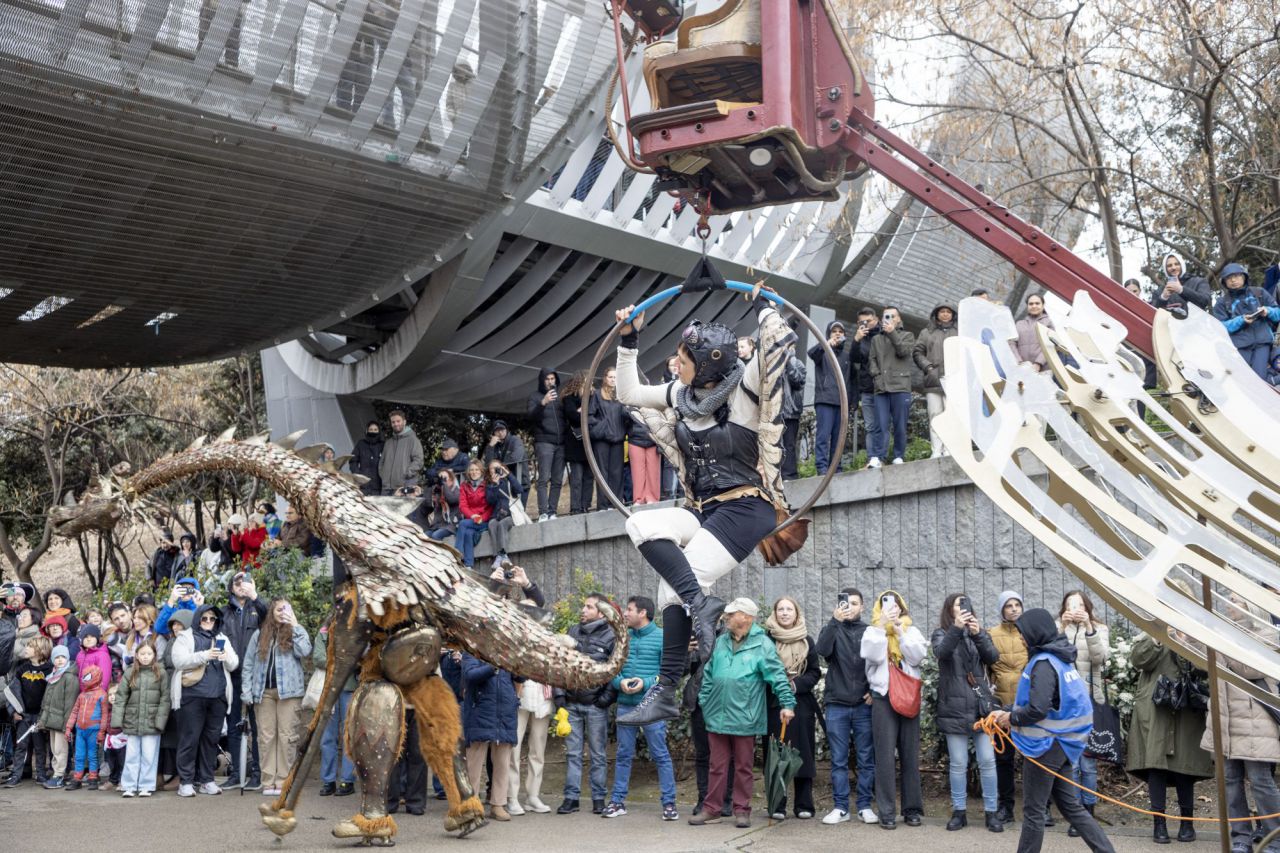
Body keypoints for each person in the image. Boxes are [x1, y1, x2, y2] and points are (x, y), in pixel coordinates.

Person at [611, 290, 793, 726]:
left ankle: (665, 689)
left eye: (684, 358)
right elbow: (628, 391)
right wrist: (628, 340)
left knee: (671, 588)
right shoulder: (681, 394)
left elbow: (778, 343)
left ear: (709, 363)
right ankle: (701, 605)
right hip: (702, 508)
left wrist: (763, 306)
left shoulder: (747, 389)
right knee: (639, 525)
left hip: (746, 508)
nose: (677, 364)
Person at [990, 608, 1115, 853]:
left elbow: (1037, 709)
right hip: (1064, 743)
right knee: (1071, 807)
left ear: (1035, 633)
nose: (1021, 637)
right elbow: (1046, 702)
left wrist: (1010, 718)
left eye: (1023, 632)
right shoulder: (1060, 659)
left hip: (1045, 746)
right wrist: (1006, 711)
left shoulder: (1043, 664)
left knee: (1033, 810)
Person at [689, 598, 795, 829]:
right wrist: (705, 701)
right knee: (716, 765)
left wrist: (787, 703)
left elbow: (778, 675)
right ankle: (712, 809)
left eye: (732, 614)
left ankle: (741, 810)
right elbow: (708, 674)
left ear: (746, 617)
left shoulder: (762, 644)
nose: (726, 617)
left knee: (744, 767)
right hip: (717, 715)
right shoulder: (721, 640)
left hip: (745, 717)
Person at [1201, 595, 1280, 853]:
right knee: (1229, 782)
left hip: (1255, 719)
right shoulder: (1222, 632)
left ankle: (1275, 837)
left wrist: (1218, 641)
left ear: (1251, 605)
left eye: (1235, 600)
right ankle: (1240, 838)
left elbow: (1249, 669)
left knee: (1261, 781)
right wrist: (1189, 637)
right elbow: (1203, 662)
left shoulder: (1267, 634)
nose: (1227, 603)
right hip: (1224, 717)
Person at [1127, 632, 1213, 843]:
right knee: (1156, 766)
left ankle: (1187, 823)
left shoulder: (1195, 634)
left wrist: (1187, 643)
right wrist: (1157, 637)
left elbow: (1205, 669)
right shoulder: (1153, 631)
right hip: (1156, 710)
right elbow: (1138, 660)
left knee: (1185, 766)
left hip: (1186, 709)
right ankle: (1159, 824)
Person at [932, 593, 1002, 832]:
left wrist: (978, 634)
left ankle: (991, 812)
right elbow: (941, 653)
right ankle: (959, 812)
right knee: (959, 763)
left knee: (987, 761)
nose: (962, 608)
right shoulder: (941, 633)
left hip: (980, 707)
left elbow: (993, 657)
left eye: (965, 604)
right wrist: (956, 628)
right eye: (957, 605)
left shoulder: (978, 633)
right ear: (949, 610)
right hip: (953, 707)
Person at [604, 595, 678, 821]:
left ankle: (669, 804)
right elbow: (612, 670)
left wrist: (645, 683)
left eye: (629, 609)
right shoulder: (622, 638)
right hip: (625, 706)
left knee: (660, 755)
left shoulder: (663, 637)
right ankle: (617, 802)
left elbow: (668, 674)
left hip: (652, 707)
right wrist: (620, 683)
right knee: (623, 754)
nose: (625, 613)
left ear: (643, 613)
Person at [861, 590, 927, 830]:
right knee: (885, 756)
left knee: (910, 754)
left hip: (908, 697)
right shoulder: (872, 631)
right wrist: (881, 627)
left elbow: (917, 657)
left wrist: (900, 632)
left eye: (897, 604)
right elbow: (872, 656)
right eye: (887, 603)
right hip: (883, 697)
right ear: (879, 608)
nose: (893, 608)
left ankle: (912, 810)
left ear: (902, 607)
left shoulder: (912, 630)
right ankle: (887, 811)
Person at [817, 587, 877, 825]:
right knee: (838, 759)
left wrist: (873, 691)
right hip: (837, 704)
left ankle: (864, 806)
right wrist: (834, 622)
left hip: (864, 705)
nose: (849, 607)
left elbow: (880, 663)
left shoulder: (869, 631)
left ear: (862, 607)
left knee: (866, 759)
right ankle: (840, 807)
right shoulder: (832, 628)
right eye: (845, 603)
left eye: (854, 603)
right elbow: (822, 651)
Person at [241, 598, 311, 797]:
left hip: (289, 693)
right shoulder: (259, 634)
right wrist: (247, 691)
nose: (282, 612)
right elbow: (248, 664)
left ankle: (283, 781)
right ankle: (268, 782)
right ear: (272, 612)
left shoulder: (296, 631)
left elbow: (305, 651)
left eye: (286, 609)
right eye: (279, 609)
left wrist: (295, 626)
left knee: (287, 737)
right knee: (266, 738)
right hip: (263, 693)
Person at [170, 603, 240, 798]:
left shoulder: (222, 638)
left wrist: (225, 656)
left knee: (211, 740)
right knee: (189, 739)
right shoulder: (186, 637)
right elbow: (178, 661)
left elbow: (234, 664)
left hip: (218, 696)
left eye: (212, 619)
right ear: (197, 619)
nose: (208, 621)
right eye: (204, 618)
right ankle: (186, 782)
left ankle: (207, 780)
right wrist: (205, 655)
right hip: (192, 695)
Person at [556, 594, 616, 816]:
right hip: (571, 704)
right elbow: (559, 664)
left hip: (596, 707)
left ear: (601, 613)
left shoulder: (611, 636)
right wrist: (560, 697)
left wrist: (605, 699)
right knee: (573, 754)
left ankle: (598, 799)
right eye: (583, 606)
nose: (583, 610)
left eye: (589, 607)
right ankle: (571, 798)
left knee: (598, 754)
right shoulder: (572, 631)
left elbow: (616, 670)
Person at [1056, 590, 1110, 832]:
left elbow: (1100, 658)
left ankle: (1089, 812)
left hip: (1090, 700)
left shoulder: (1099, 628)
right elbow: (1050, 654)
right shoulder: (1058, 628)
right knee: (1072, 762)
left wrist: (1089, 627)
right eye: (1070, 604)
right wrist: (1062, 627)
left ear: (1087, 607)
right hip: (1066, 703)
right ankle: (1075, 814)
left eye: (1079, 605)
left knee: (1088, 763)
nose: (1075, 609)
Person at [764, 596, 820, 820]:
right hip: (773, 702)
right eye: (781, 609)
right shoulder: (766, 640)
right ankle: (777, 804)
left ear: (796, 613)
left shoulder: (806, 640)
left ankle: (804, 803)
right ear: (775, 613)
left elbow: (814, 672)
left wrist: (795, 684)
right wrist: (778, 683)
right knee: (776, 753)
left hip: (801, 703)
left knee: (802, 753)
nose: (785, 613)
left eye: (789, 609)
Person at [220, 571, 266, 789]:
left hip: (256, 674)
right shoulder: (223, 613)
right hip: (231, 674)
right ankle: (236, 773)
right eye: (236, 582)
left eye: (245, 581)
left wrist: (255, 596)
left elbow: (271, 619)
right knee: (233, 725)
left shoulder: (258, 607)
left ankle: (257, 773)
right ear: (231, 587)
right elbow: (216, 637)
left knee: (257, 726)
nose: (241, 585)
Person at [461, 652, 520, 821]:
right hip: (480, 712)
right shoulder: (472, 650)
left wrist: (520, 663)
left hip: (505, 713)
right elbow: (470, 675)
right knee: (473, 765)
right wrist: (493, 665)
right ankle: (470, 806)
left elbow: (520, 678)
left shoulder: (507, 650)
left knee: (502, 763)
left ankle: (498, 805)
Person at [112, 637, 170, 797]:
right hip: (133, 720)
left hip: (152, 721)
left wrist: (160, 721)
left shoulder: (161, 673)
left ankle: (146, 785)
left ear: (154, 655)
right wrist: (117, 720)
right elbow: (121, 696)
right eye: (142, 654)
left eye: (149, 654)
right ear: (136, 655)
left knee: (149, 756)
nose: (145, 657)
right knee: (131, 755)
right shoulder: (130, 672)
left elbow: (165, 699)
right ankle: (129, 785)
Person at [989, 590, 1027, 825]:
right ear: (1002, 610)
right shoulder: (991, 634)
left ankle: (1041, 807)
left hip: (1028, 705)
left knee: (1034, 757)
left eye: (1017, 605)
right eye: (1008, 606)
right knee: (1003, 759)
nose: (1014, 609)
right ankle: (1006, 806)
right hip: (1002, 704)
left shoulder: (1029, 631)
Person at [1213, 262, 1280, 379]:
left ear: (1244, 276)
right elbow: (1220, 327)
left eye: (1236, 275)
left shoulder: (1259, 292)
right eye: (1229, 278)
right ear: (1224, 282)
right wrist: (1241, 320)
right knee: (1241, 379)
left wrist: (1268, 311)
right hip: (1239, 347)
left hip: (1262, 344)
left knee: (1259, 377)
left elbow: (1278, 313)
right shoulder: (1222, 302)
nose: (1233, 280)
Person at [313, 620, 357, 798]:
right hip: (328, 689)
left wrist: (337, 662)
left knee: (349, 736)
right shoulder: (324, 630)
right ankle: (328, 780)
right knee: (327, 737)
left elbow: (360, 659)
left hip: (350, 688)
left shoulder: (357, 630)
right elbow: (318, 658)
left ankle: (348, 780)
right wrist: (342, 663)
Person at [868, 306, 916, 468]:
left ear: (898, 319)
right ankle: (877, 456)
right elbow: (872, 360)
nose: (888, 319)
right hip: (881, 387)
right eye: (886, 316)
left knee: (900, 425)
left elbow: (903, 351)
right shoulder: (876, 339)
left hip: (900, 386)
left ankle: (898, 455)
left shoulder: (908, 335)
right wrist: (876, 376)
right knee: (880, 424)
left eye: (892, 316)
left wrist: (892, 333)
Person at [4, 635, 51, 787]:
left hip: (39, 716)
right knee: (20, 745)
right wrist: (14, 712)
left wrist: (45, 716)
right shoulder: (22, 669)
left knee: (39, 746)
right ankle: (16, 775)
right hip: (24, 715)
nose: (26, 649)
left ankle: (41, 774)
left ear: (40, 650)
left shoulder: (49, 669)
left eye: (30, 646)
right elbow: (12, 693)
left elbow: (51, 696)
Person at [809, 320, 853, 475]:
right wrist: (826, 344)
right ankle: (822, 468)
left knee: (838, 438)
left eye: (840, 332)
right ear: (829, 334)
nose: (837, 334)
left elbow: (851, 380)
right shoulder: (822, 352)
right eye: (834, 331)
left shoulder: (847, 356)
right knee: (823, 436)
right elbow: (811, 353)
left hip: (842, 403)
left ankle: (836, 467)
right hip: (825, 400)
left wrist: (851, 402)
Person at [913, 303, 957, 458]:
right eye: (942, 311)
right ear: (936, 314)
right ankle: (937, 450)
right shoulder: (926, 332)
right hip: (933, 380)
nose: (945, 314)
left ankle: (950, 449)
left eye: (948, 311)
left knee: (952, 416)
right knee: (935, 415)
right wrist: (928, 368)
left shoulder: (959, 331)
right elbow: (917, 352)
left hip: (954, 379)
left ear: (953, 314)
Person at [528, 367, 566, 520]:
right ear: (542, 381)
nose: (550, 382)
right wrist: (543, 403)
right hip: (544, 442)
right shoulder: (535, 397)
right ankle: (543, 512)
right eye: (547, 379)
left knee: (557, 480)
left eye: (552, 379)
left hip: (561, 443)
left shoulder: (560, 397)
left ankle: (552, 511)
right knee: (543, 478)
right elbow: (530, 417)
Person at [63, 663, 108, 790]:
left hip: (93, 730)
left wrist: (101, 731)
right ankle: (77, 778)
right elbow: (74, 712)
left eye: (87, 677)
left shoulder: (102, 695)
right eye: (84, 677)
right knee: (79, 755)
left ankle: (93, 777)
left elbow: (105, 715)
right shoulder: (82, 695)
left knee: (92, 754)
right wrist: (68, 728)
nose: (84, 680)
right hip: (80, 730)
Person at [38, 644, 77, 789]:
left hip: (62, 722)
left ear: (67, 658)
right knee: (54, 749)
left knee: (61, 749)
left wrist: (67, 725)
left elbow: (70, 703)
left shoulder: (69, 677)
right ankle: (56, 772)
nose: (60, 660)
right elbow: (46, 701)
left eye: (63, 657)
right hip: (52, 720)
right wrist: (42, 720)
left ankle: (59, 775)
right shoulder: (53, 676)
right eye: (57, 657)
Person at [560, 371, 597, 513]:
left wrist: (582, 411)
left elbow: (595, 415)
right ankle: (575, 507)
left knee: (589, 477)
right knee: (577, 478)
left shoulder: (593, 397)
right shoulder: (569, 398)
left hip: (590, 442)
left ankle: (585, 505)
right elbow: (572, 416)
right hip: (576, 443)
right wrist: (583, 412)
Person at [588, 370, 627, 503]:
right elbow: (589, 415)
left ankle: (616, 502)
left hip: (618, 438)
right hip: (602, 439)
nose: (613, 379)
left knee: (617, 472)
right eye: (610, 377)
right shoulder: (597, 395)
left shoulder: (620, 395)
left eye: (615, 377)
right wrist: (602, 426)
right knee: (602, 472)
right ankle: (603, 504)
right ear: (605, 378)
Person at [780, 319, 808, 480]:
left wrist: (789, 361)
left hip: (791, 412)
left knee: (789, 444)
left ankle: (790, 475)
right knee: (776, 446)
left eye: (790, 347)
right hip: (776, 412)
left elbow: (797, 381)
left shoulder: (799, 365)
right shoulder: (776, 365)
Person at [851, 307, 880, 459]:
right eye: (863, 322)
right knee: (870, 426)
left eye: (869, 321)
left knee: (883, 424)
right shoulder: (860, 338)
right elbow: (854, 359)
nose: (866, 324)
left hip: (883, 387)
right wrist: (856, 340)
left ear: (876, 319)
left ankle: (882, 457)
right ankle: (872, 458)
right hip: (867, 388)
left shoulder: (884, 333)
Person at [485, 459, 524, 566]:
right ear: (489, 471)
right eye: (492, 468)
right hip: (496, 516)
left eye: (497, 467)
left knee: (502, 524)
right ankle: (498, 556)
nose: (495, 470)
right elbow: (490, 501)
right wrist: (495, 485)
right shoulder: (490, 485)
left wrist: (509, 475)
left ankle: (503, 554)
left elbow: (520, 490)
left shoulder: (508, 481)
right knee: (492, 524)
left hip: (510, 515)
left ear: (502, 467)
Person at [379, 409, 425, 496]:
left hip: (403, 488)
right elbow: (381, 462)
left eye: (398, 421)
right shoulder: (388, 442)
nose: (396, 424)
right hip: (386, 488)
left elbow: (419, 461)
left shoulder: (413, 440)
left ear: (404, 422)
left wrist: (406, 473)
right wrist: (384, 476)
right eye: (393, 422)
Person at [457, 460, 493, 568]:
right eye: (471, 470)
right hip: (471, 519)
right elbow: (463, 505)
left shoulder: (487, 484)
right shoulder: (464, 485)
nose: (474, 472)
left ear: (481, 471)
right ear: (468, 472)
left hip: (484, 520)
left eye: (477, 469)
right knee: (468, 533)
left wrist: (482, 518)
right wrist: (472, 516)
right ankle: (469, 565)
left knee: (462, 524)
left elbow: (491, 506)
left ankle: (456, 553)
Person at [484, 420, 530, 502]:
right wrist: (490, 446)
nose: (500, 432)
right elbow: (488, 464)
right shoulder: (494, 445)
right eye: (497, 430)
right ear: (494, 433)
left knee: (519, 509)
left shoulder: (515, 440)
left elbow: (515, 458)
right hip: (505, 485)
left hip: (520, 482)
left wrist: (497, 465)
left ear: (506, 430)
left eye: (502, 429)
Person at [1151, 252, 1210, 316]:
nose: (1173, 268)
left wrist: (1181, 290)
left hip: (1195, 321)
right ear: (1166, 269)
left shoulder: (1199, 281)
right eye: (1169, 265)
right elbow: (1153, 313)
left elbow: (1204, 301)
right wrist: (1163, 298)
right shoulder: (1159, 292)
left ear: (1182, 265)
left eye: (1177, 264)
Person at [627, 400, 661, 506]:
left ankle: (652, 498)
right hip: (635, 440)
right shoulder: (630, 401)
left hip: (652, 440)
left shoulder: (654, 401)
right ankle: (638, 499)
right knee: (637, 472)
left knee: (653, 471)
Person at [417, 467, 462, 541]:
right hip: (437, 525)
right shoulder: (437, 492)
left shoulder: (456, 490)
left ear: (451, 479)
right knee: (424, 536)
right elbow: (427, 503)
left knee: (436, 535)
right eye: (440, 477)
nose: (442, 479)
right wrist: (429, 486)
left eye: (445, 478)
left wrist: (443, 484)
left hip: (451, 524)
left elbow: (451, 500)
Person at [1014, 293, 1053, 372]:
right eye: (1031, 304)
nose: (1034, 306)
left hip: (1042, 369)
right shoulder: (1019, 324)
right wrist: (1018, 361)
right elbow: (1012, 343)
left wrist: (1038, 363)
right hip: (1020, 368)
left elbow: (1051, 345)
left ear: (1043, 305)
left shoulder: (1049, 323)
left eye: (1037, 303)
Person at [349, 419, 385, 496]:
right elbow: (353, 460)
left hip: (378, 487)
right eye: (371, 429)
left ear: (379, 431)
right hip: (363, 486)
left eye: (375, 430)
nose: (373, 431)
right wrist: (358, 475)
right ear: (367, 431)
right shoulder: (361, 444)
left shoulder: (383, 445)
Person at [74, 624, 113, 691]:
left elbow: (104, 679)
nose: (89, 639)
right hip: (82, 693)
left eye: (92, 636)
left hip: (95, 693)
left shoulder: (102, 655)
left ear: (97, 639)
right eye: (86, 637)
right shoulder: (80, 654)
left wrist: (98, 695)